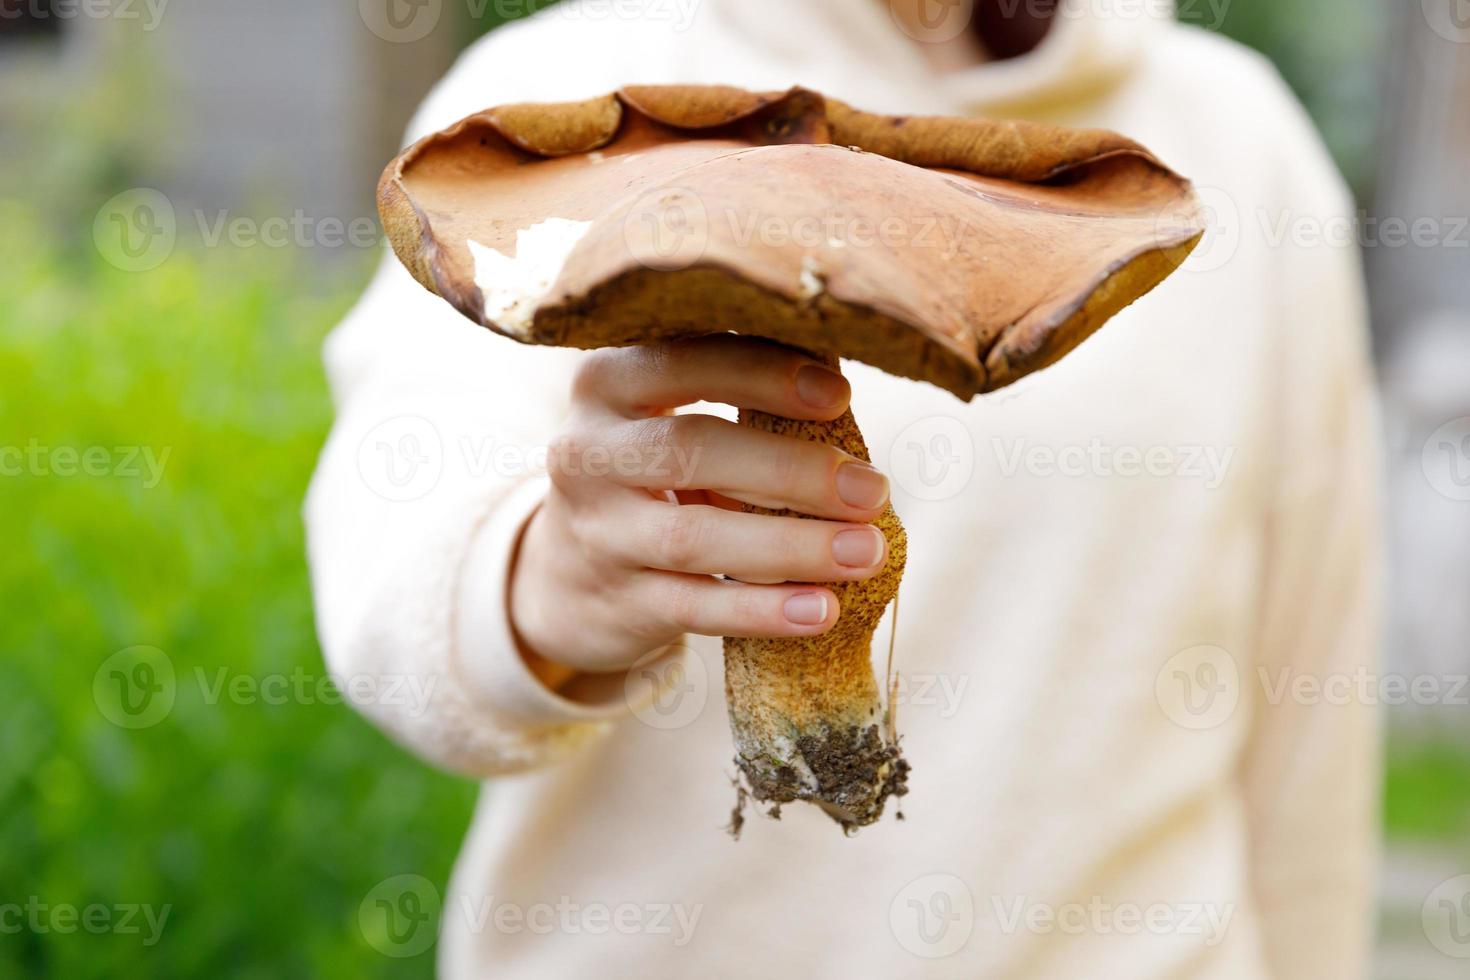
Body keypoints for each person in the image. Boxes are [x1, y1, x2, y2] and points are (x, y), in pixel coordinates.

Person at [305, 1, 1381, 976]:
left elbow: (1315, 698)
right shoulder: (564, 93)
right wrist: (550, 580)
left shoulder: (1236, 142)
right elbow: (391, 535)